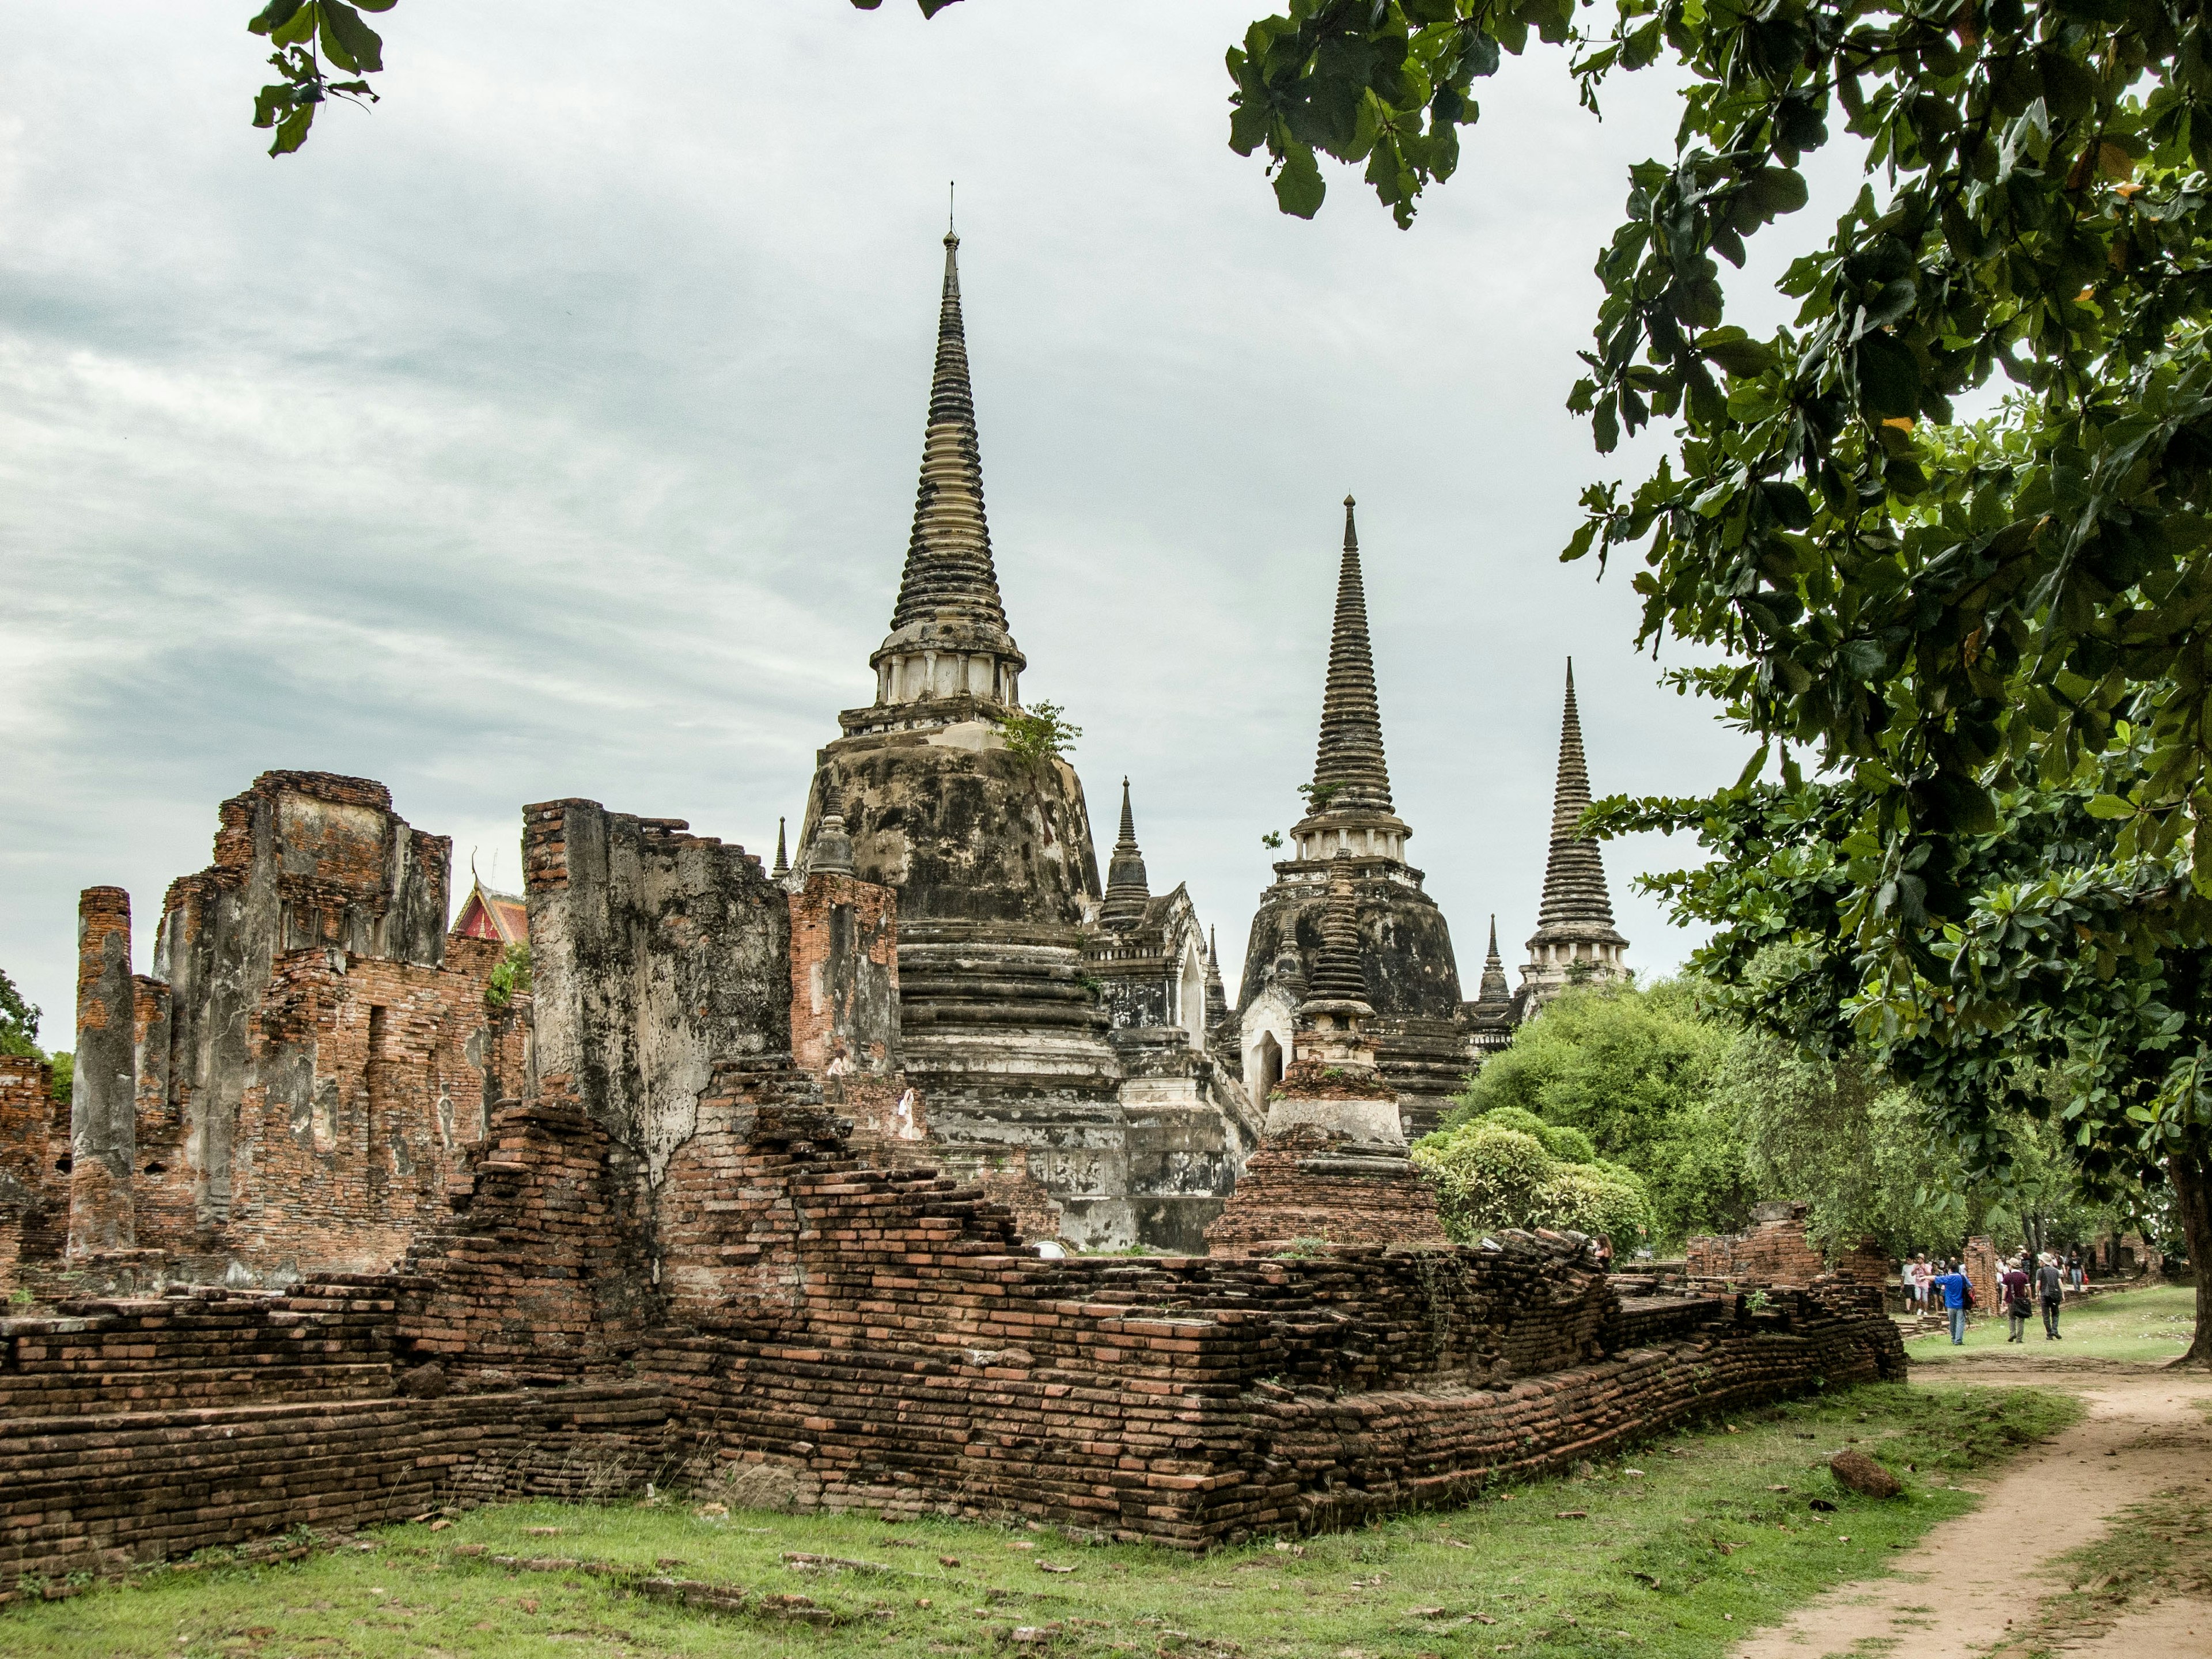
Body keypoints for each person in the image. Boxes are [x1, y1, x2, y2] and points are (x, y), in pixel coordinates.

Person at [1934, 1260, 1971, 1344]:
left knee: (1952, 1323)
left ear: (1950, 1269)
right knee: (1960, 1322)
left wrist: (1924, 1278)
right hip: (1961, 1304)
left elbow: (1935, 1279)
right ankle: (1958, 1340)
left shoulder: (1948, 1278)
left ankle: (1953, 1338)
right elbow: (1970, 1286)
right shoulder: (1962, 1277)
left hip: (1950, 1304)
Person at [2002, 1256, 2032, 1343]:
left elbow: (2004, 1289)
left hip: (2011, 1300)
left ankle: (2012, 1333)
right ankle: (2019, 1339)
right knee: (2021, 1319)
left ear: (2011, 1266)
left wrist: (2003, 1300)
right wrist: (2030, 1298)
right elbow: (2028, 1288)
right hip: (2021, 1300)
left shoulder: (2007, 1276)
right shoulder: (2023, 1276)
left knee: (2011, 1317)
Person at [2037, 1252, 2065, 1339]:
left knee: (2045, 1315)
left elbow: (2038, 1284)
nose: (2039, 1262)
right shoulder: (2055, 1271)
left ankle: (2049, 1333)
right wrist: (2062, 1294)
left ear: (2043, 1262)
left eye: (2040, 1260)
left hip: (2044, 1295)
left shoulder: (2040, 1271)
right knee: (2055, 1313)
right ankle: (2055, 1330)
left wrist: (2037, 1293)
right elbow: (2060, 1283)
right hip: (2054, 1294)